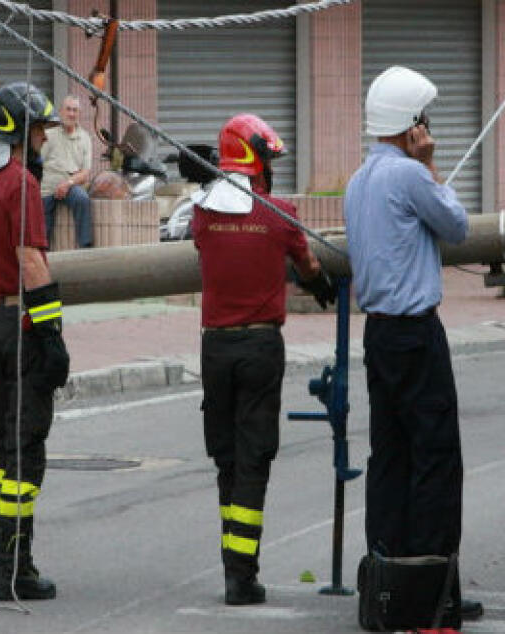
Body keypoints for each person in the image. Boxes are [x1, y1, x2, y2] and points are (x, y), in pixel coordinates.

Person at [344, 65, 483, 624]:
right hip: (416, 331)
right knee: (436, 458)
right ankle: (432, 587)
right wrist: (429, 164)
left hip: (378, 332)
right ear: (412, 126)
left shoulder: (359, 180)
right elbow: (457, 226)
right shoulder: (408, 174)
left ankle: (388, 576)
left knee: (390, 456)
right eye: (424, 122)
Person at [192, 113, 334, 606]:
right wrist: (319, 286)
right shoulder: (280, 214)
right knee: (254, 461)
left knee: (227, 460)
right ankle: (241, 576)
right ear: (256, 161)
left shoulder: (202, 215)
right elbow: (310, 264)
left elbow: (205, 231)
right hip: (259, 348)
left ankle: (234, 568)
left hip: (215, 348)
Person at [0, 82, 68, 601]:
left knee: (4, 448)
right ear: (22, 131)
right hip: (25, 325)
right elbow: (31, 260)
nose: (45, 139)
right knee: (26, 450)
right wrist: (52, 334)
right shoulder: (20, 183)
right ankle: (15, 567)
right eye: (41, 129)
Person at [39, 95, 94, 249]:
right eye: (68, 109)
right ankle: (42, 254)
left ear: (79, 114)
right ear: (61, 112)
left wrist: (68, 183)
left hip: (70, 185)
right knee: (42, 233)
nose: (71, 114)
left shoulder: (85, 138)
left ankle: (86, 247)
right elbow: (36, 164)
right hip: (46, 188)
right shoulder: (48, 135)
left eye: (75, 110)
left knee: (82, 199)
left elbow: (85, 173)